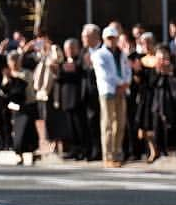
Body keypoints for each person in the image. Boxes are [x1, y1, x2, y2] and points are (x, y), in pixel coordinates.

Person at [92, 25, 131, 167]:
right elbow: (105, 74)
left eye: (114, 38)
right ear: (104, 39)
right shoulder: (99, 54)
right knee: (108, 123)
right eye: (109, 38)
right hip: (108, 90)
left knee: (120, 123)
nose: (111, 41)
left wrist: (126, 83)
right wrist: (120, 84)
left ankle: (117, 153)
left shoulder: (122, 54)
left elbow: (127, 69)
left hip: (121, 91)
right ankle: (108, 156)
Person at [0, 50, 39, 166]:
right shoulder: (7, 76)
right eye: (12, 61)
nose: (14, 63)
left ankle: (32, 153)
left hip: (27, 106)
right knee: (17, 132)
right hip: (15, 109)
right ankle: (19, 155)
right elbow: (4, 93)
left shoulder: (26, 73)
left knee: (28, 131)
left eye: (16, 60)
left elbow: (28, 90)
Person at [55, 38, 86, 160]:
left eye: (72, 48)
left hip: (78, 98)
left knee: (80, 126)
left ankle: (82, 149)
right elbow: (59, 79)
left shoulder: (80, 61)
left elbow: (77, 72)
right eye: (67, 49)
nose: (69, 51)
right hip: (66, 98)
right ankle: (73, 149)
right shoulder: (62, 63)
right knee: (70, 127)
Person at [80, 23, 103, 161]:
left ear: (94, 36)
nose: (83, 39)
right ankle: (91, 149)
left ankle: (100, 150)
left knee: (100, 122)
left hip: (100, 91)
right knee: (90, 123)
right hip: (86, 93)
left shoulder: (103, 50)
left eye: (85, 36)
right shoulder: (84, 52)